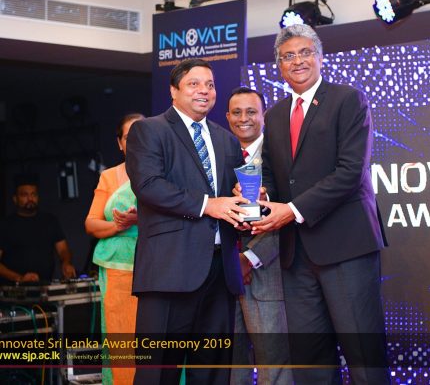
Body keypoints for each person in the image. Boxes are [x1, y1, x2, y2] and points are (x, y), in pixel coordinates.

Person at [252, 24, 389, 384]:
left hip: (346, 247)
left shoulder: (348, 99)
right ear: (279, 66)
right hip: (296, 255)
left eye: (305, 52)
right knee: (310, 361)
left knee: (364, 358)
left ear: (320, 56)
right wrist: (262, 195)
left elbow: (350, 172)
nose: (297, 61)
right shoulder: (275, 115)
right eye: (288, 56)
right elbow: (273, 174)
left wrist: (292, 210)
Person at [125, 58, 249, 385]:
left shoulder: (226, 140)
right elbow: (149, 186)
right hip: (169, 270)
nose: (204, 91)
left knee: (212, 372)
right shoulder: (149, 130)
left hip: (220, 273)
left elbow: (231, 197)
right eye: (194, 84)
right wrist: (209, 204)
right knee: (158, 373)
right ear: (173, 91)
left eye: (210, 85)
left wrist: (247, 199)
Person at [226, 87, 292, 385]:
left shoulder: (281, 155)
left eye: (251, 112)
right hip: (224, 275)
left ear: (263, 116)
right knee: (231, 365)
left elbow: (290, 215)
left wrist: (249, 258)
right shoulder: (220, 154)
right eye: (237, 112)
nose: (244, 118)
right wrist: (232, 259)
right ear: (227, 117)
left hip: (268, 272)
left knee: (274, 363)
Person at [84, 113, 144, 385]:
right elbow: (91, 223)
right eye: (130, 137)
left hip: (157, 266)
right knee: (122, 339)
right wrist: (119, 225)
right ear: (120, 143)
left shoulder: (166, 171)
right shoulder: (109, 177)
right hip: (117, 269)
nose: (136, 142)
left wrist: (141, 220)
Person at [0, 176, 76, 283]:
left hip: (46, 286)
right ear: (15, 199)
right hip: (14, 289)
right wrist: (19, 278)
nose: (30, 199)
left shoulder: (50, 221)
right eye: (24, 195)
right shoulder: (5, 225)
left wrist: (66, 263)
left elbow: (63, 250)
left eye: (33, 194)